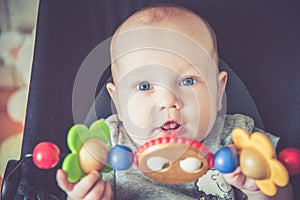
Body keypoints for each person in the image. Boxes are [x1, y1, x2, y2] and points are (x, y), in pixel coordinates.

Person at [56, 4, 293, 200]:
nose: (168, 101)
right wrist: (85, 195)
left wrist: (258, 188)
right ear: (117, 101)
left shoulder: (239, 140)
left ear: (219, 92)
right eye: (144, 86)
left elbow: (282, 190)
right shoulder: (109, 145)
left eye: (189, 81)